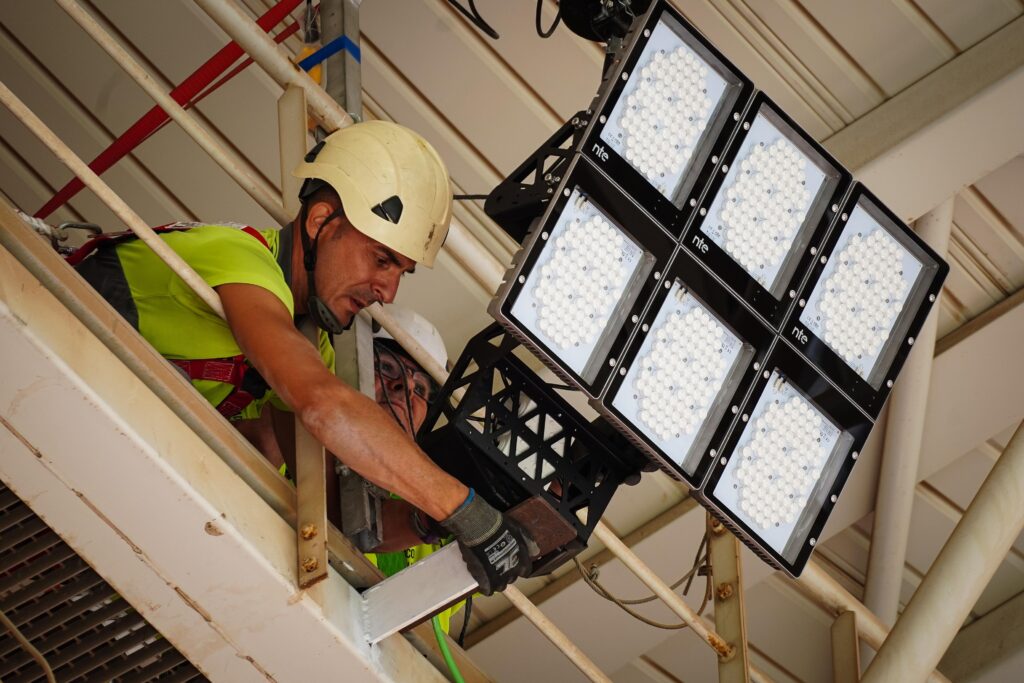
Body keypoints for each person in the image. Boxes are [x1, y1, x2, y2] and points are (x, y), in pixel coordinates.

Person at [70, 121, 532, 595]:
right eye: (381, 259)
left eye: (401, 273)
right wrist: (467, 510)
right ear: (319, 223)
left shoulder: (313, 344)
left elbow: (336, 512)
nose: (388, 291)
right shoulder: (239, 257)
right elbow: (322, 404)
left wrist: (435, 521)